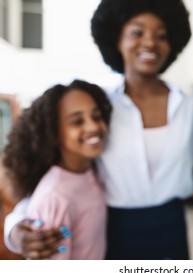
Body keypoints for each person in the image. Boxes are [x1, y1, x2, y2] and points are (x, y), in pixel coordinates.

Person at [4, 0, 193, 260]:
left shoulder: (190, 106)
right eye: (137, 32)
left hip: (171, 227)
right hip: (113, 227)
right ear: (117, 38)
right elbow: (60, 175)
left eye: (161, 35)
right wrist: (14, 227)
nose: (150, 42)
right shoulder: (99, 108)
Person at [2, 80, 112, 259]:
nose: (92, 126)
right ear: (53, 132)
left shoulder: (91, 168)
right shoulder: (55, 197)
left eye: (97, 116)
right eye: (77, 121)